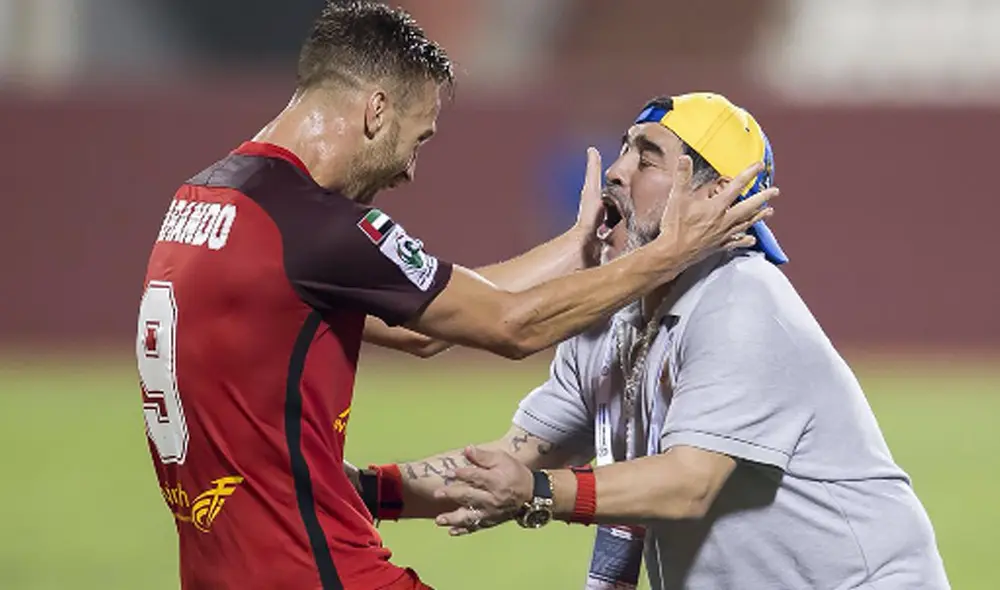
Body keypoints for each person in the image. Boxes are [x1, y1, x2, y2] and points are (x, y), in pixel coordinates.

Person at [134, 1, 777, 589]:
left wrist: (573, 249)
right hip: (319, 569)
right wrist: (667, 254)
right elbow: (512, 327)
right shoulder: (316, 224)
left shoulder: (208, 198)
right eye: (418, 138)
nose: (410, 170)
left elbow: (421, 329)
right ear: (376, 111)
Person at [356, 93, 950, 590]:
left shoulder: (741, 298)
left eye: (647, 159)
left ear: (714, 198)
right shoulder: (611, 315)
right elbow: (513, 458)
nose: (617, 171)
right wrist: (362, 492)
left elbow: (688, 483)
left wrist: (537, 493)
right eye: (624, 150)